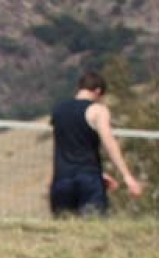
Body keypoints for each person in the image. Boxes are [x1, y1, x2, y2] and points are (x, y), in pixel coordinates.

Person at [50, 71, 144, 217]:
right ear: (98, 91)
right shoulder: (97, 110)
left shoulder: (58, 110)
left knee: (64, 229)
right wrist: (127, 176)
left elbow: (69, 145)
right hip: (88, 179)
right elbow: (109, 142)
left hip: (62, 179)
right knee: (93, 226)